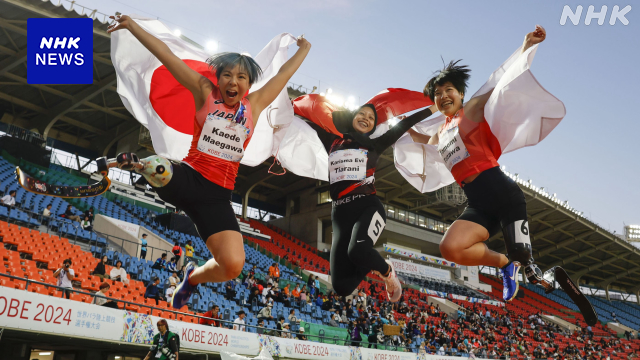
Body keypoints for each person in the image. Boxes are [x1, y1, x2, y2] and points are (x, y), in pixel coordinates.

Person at [108, 14, 311, 310]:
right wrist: (131, 26)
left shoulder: (253, 105)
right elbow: (166, 54)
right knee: (159, 168)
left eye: (241, 77)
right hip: (188, 178)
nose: (233, 81)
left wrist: (303, 49)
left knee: (233, 266)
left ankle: (191, 279)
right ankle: (138, 165)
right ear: (219, 78)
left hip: (217, 198)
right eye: (228, 74)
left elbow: (282, 76)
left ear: (249, 83)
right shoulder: (204, 91)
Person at [408, 25, 551, 301]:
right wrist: (397, 129)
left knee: (523, 255)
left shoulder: (471, 111)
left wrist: (526, 47)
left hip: (504, 195)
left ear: (461, 94)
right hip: (478, 204)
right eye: (437, 94)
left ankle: (524, 265)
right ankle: (505, 266)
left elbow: (498, 80)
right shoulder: (440, 132)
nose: (443, 96)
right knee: (451, 248)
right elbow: (421, 140)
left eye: (448, 90)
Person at [310, 101, 436, 302]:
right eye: (362, 114)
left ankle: (387, 272)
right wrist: (289, 106)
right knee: (342, 286)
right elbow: (313, 118)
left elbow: (403, 125)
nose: (366, 119)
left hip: (367, 206)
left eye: (370, 118)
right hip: (340, 214)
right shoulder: (333, 141)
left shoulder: (374, 145)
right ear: (352, 117)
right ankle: (369, 259)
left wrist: (432, 108)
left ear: (373, 127)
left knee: (358, 250)